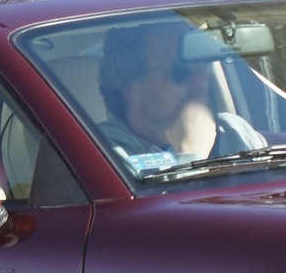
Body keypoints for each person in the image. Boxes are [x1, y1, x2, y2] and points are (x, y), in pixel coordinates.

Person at [92, 22, 223, 170]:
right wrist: (192, 155)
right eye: (179, 73)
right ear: (132, 86)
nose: (200, 83)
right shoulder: (98, 153)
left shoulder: (235, 132)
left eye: (202, 69)